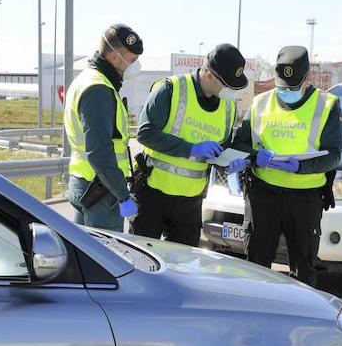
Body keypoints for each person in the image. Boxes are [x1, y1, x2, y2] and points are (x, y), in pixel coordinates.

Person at [231, 45, 342, 286]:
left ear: (307, 78)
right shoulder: (260, 103)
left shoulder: (327, 105)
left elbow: (333, 155)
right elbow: (240, 143)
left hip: (305, 199)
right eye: (282, 87)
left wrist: (300, 167)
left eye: (293, 88)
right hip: (263, 195)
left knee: (303, 271)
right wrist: (254, 156)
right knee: (256, 267)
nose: (286, 92)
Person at [132, 43, 248, 245]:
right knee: (142, 258)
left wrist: (228, 164)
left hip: (190, 203)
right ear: (209, 75)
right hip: (153, 194)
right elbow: (145, 133)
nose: (231, 91)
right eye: (227, 85)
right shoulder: (171, 89)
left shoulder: (228, 106)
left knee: (182, 263)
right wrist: (191, 149)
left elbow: (221, 148)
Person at [63, 23, 143, 230]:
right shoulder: (98, 89)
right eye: (132, 59)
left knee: (82, 248)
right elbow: (100, 151)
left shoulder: (87, 79)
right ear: (115, 57)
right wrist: (123, 195)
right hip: (100, 190)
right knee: (105, 250)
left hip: (86, 182)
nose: (136, 65)